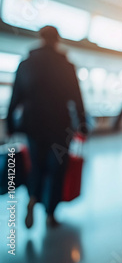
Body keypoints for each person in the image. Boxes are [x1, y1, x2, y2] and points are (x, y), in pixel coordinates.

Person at [6, 26, 87, 228]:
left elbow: (16, 96)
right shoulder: (65, 65)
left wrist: (9, 123)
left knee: (37, 164)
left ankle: (33, 197)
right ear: (57, 40)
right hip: (60, 124)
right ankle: (51, 212)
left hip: (33, 124)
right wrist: (83, 122)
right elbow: (76, 97)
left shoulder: (26, 64)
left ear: (41, 38)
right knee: (58, 166)